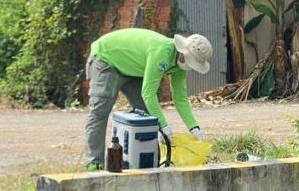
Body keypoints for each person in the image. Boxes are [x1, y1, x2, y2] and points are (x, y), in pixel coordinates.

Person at [83, 28, 212, 170]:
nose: (190, 66)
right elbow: (148, 93)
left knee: (146, 116)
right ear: (182, 52)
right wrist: (163, 126)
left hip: (132, 69)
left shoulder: (181, 66)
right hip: (106, 59)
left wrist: (194, 128)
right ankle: (94, 164)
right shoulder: (161, 52)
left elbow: (180, 98)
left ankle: (145, 163)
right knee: (100, 111)